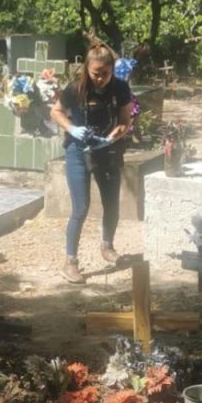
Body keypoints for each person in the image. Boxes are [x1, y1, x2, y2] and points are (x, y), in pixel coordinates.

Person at [50, 43, 134, 285]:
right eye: (95, 73)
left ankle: (107, 246)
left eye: (105, 73)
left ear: (112, 70)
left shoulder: (120, 88)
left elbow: (125, 120)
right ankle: (70, 262)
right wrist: (72, 129)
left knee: (112, 204)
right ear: (87, 68)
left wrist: (114, 136)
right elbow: (56, 112)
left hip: (106, 150)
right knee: (80, 208)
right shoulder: (75, 88)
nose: (100, 78)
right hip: (78, 151)